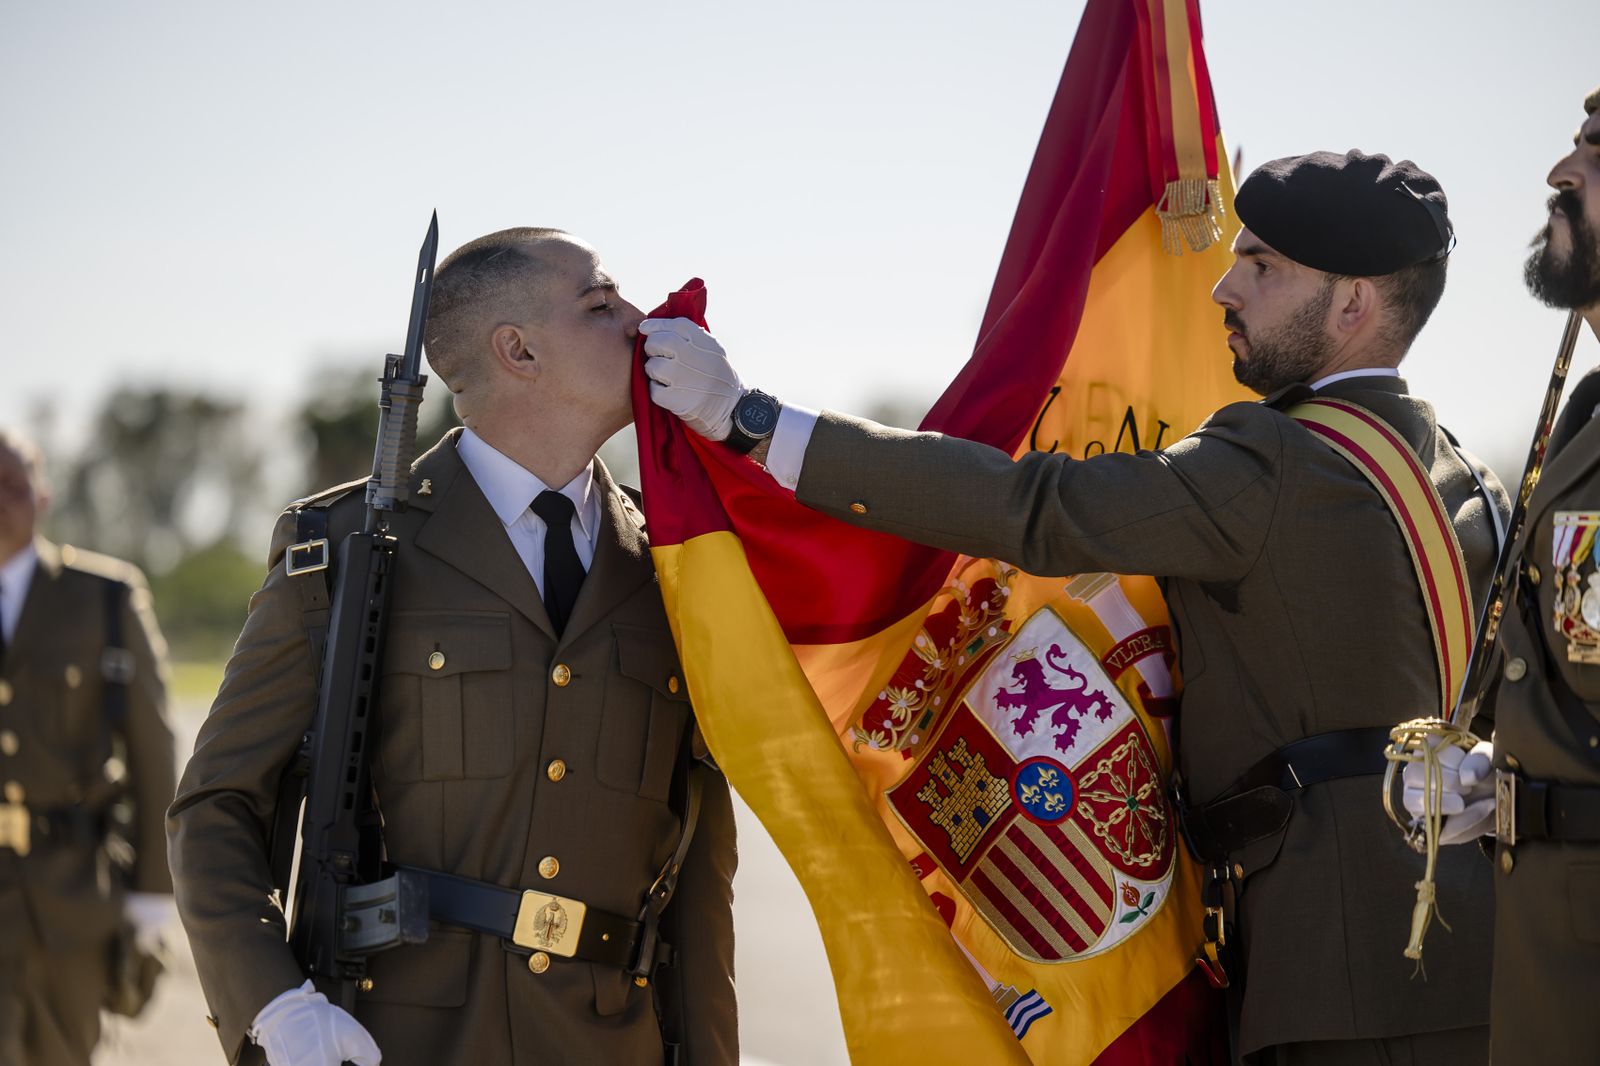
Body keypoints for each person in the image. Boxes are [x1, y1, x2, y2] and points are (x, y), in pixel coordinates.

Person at [643, 152, 1502, 1064]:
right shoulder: (1465, 479)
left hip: (1332, 977)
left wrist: (755, 422)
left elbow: (1038, 509)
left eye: (1262, 267)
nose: (1222, 289)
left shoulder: (1279, 460)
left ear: (1353, 304)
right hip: (1468, 947)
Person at [167, 228, 738, 1066]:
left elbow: (696, 871)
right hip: (403, 1039)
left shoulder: (673, 570)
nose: (641, 320)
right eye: (600, 302)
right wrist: (275, 1005)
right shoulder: (345, 551)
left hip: (610, 1040)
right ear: (518, 350)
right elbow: (216, 806)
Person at [1413, 85, 1600, 1064]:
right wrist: (1507, 775)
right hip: (1551, 955)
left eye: (1596, 155)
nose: (1559, 174)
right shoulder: (1583, 419)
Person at [0, 428, 177, 1066]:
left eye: (13, 487)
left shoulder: (104, 596)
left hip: (70, 894)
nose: (1, 501)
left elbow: (153, 748)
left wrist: (153, 894)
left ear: (42, 498)